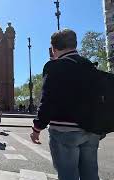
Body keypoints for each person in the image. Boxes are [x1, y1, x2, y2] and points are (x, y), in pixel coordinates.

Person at [30, 29, 101, 180]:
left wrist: (37, 127)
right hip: (91, 129)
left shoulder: (53, 67)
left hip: (64, 131)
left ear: (54, 48)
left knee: (68, 176)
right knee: (90, 175)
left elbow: (48, 100)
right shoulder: (89, 65)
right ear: (75, 44)